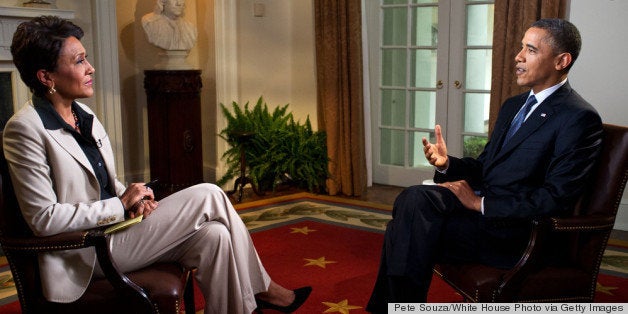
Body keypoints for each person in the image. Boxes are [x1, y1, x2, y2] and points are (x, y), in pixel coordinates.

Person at [5, 15, 310, 314]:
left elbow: (106, 185)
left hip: (118, 231)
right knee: (210, 194)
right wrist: (120, 205)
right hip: (85, 251)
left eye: (87, 59)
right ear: (46, 77)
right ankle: (264, 290)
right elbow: (42, 220)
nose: (90, 68)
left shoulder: (84, 115)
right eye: (79, 61)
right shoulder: (25, 129)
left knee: (214, 236)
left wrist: (135, 199)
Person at [366, 18, 603, 312]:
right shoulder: (514, 106)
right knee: (413, 199)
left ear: (561, 60)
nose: (518, 56)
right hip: (483, 222)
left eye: (530, 50)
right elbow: (485, 167)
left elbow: (556, 197)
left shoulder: (578, 118)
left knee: (404, 229)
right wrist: (446, 165)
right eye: (521, 47)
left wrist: (480, 204)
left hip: (516, 233)